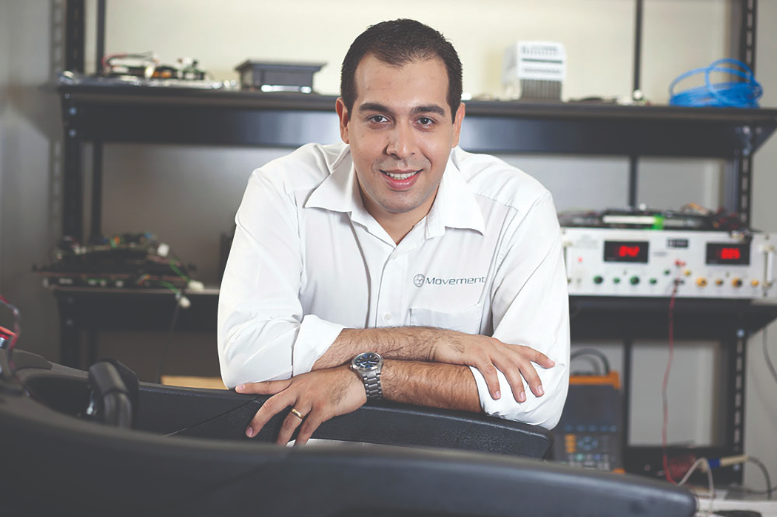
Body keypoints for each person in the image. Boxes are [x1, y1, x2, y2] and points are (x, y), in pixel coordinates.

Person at [218, 19, 569, 446]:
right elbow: (247, 359)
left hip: (451, 495)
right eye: (379, 118)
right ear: (345, 121)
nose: (401, 148)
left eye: (425, 120)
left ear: (456, 125)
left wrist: (369, 378)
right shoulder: (282, 190)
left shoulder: (518, 208)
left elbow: (538, 395)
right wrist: (434, 343)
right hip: (305, 485)